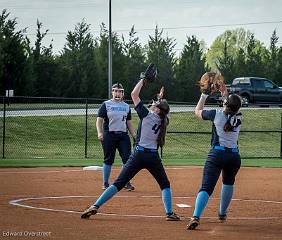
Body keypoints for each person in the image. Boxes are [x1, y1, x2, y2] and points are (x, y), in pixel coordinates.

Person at [81, 66, 181, 221]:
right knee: (165, 184)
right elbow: (163, 110)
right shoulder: (164, 120)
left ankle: (95, 205)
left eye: (154, 103)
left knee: (118, 183)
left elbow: (134, 94)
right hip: (153, 157)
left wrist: (143, 80)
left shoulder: (147, 115)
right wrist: (160, 99)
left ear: (156, 109)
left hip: (138, 155)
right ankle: (169, 213)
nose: (152, 102)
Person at [187, 72, 243, 230]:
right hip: (234, 156)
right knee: (228, 182)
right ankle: (222, 213)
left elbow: (197, 111)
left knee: (206, 187)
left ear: (225, 104)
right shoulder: (239, 117)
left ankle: (196, 216)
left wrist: (204, 95)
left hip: (217, 154)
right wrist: (225, 93)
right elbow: (230, 106)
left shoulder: (216, 114)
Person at [96, 82, 137, 191]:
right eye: (115, 91)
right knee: (109, 159)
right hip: (109, 135)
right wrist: (99, 132)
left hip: (123, 136)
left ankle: (125, 182)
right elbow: (99, 120)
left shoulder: (126, 106)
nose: (117, 93)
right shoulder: (106, 104)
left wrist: (134, 134)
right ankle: (105, 183)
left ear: (123, 93)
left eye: (120, 91)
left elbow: (129, 122)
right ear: (112, 92)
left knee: (127, 160)